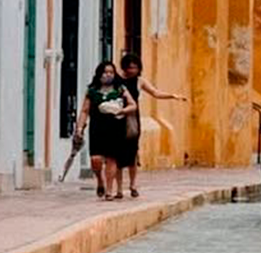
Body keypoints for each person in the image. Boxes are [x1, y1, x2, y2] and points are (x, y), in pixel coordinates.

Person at [117, 52, 186, 197]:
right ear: (124, 67)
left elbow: (155, 93)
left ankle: (133, 184)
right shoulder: (118, 80)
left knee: (132, 152)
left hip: (132, 119)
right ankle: (118, 188)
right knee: (117, 154)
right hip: (118, 117)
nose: (132, 70)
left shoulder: (140, 81)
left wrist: (172, 96)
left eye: (135, 67)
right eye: (130, 67)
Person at [74, 61, 138, 201]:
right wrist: (79, 128)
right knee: (95, 160)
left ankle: (109, 190)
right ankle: (100, 180)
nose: (108, 75)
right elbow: (85, 111)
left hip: (115, 127)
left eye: (111, 72)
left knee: (111, 158)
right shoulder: (92, 91)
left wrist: (122, 110)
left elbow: (133, 105)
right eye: (105, 72)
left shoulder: (120, 89)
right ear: (99, 74)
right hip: (97, 128)